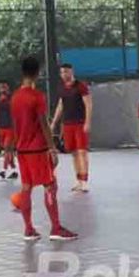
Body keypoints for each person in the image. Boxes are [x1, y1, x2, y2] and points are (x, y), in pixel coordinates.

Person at [11, 56, 78, 241]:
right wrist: (52, 148)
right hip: (37, 150)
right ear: (37, 73)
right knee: (50, 186)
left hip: (22, 150)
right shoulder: (36, 96)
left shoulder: (15, 97)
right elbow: (44, 124)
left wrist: (14, 148)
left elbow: (15, 125)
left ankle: (28, 229)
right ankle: (56, 228)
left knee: (26, 187)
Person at [51, 63, 92, 192]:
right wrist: (54, 122)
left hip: (80, 123)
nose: (64, 74)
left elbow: (88, 105)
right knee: (74, 153)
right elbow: (61, 105)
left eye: (66, 72)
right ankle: (79, 181)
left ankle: (85, 181)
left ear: (72, 72)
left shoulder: (81, 86)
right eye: (62, 72)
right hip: (67, 124)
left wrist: (87, 122)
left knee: (82, 152)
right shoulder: (62, 88)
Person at [0, 80, 18, 180]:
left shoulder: (13, 98)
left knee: (7, 148)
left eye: (4, 87)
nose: (3, 88)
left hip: (11, 128)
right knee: (8, 151)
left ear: (8, 88)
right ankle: (14, 171)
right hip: (1, 128)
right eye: (1, 87)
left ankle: (3, 170)